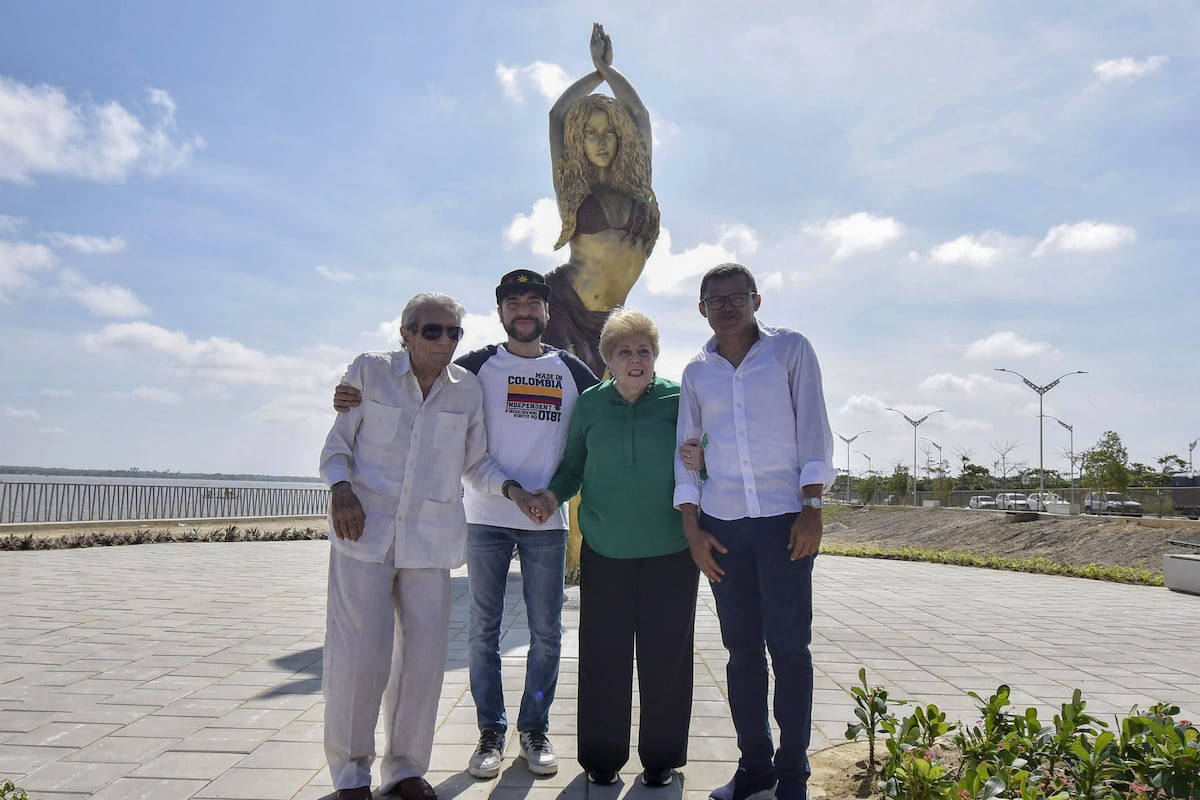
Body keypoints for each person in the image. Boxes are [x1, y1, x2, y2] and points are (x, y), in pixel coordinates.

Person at [333, 269, 598, 780]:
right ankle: (491, 732)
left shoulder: (572, 369)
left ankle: (534, 729)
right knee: (484, 632)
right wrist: (348, 395)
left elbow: (609, 414)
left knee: (547, 632)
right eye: (513, 303)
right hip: (485, 519)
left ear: (547, 313)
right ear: (500, 314)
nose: (524, 311)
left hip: (548, 520)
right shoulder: (475, 366)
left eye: (533, 303)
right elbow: (415, 377)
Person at [673, 264, 836, 800]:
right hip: (722, 531)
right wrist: (693, 528)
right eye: (714, 300)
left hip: (785, 524)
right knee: (741, 652)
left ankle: (793, 773)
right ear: (701, 309)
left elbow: (813, 427)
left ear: (756, 300)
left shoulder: (790, 351)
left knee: (789, 648)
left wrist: (812, 505)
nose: (726, 306)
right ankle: (754, 768)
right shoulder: (697, 373)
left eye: (736, 297)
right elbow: (688, 455)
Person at [320, 292, 488, 800]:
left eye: (454, 332)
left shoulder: (468, 390)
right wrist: (340, 489)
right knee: (360, 660)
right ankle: (351, 775)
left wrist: (521, 493)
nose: (444, 341)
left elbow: (476, 465)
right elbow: (336, 448)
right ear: (406, 333)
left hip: (431, 544)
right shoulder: (369, 373)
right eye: (432, 331)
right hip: (363, 536)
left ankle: (406, 770)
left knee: (423, 662)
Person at [527, 308, 701, 788]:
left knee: (667, 656)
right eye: (625, 352)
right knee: (604, 656)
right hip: (605, 549)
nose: (636, 359)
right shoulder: (590, 404)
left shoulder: (679, 399)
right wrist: (549, 496)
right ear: (608, 359)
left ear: (655, 356)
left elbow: (707, 452)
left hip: (671, 550)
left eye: (644, 350)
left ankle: (661, 757)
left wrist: (705, 457)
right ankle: (602, 758)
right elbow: (572, 468)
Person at [542, 23, 660, 376]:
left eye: (610, 131)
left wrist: (609, 69)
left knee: (608, 401)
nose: (602, 141)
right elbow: (557, 116)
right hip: (563, 302)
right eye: (591, 134)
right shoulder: (573, 189)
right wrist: (596, 73)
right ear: (580, 140)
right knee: (564, 391)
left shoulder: (639, 187)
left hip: (612, 317)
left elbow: (640, 115)